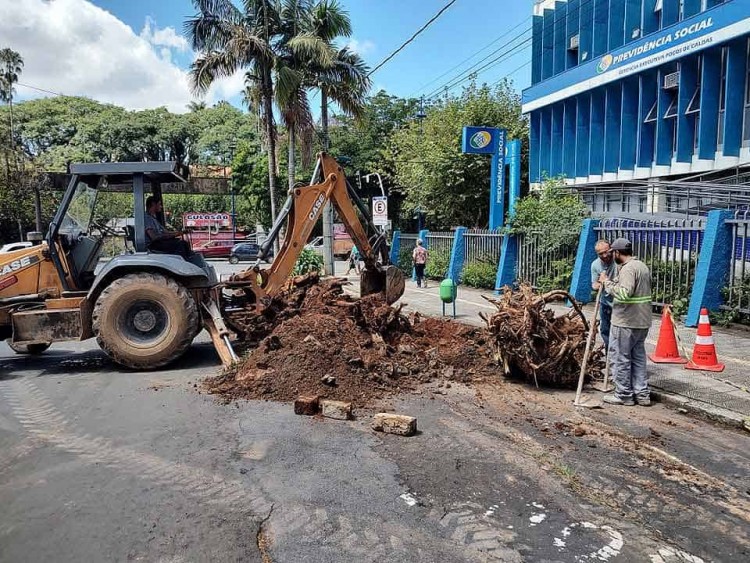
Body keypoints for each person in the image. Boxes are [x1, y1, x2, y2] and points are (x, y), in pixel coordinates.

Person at [599, 237, 653, 407]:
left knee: (620, 358)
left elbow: (624, 294)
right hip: (642, 321)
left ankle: (623, 394)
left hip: (625, 321)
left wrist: (606, 283)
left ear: (617, 252)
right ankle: (642, 394)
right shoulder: (641, 266)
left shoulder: (628, 269)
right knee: (638, 358)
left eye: (612, 252)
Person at [590, 240, 616, 353]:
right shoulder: (595, 265)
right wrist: (600, 282)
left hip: (619, 303)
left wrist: (608, 281)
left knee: (618, 332)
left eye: (607, 252)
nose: (605, 255)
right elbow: (594, 285)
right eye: (601, 254)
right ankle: (609, 355)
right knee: (605, 330)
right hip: (605, 302)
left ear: (611, 249)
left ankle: (619, 357)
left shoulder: (618, 261)